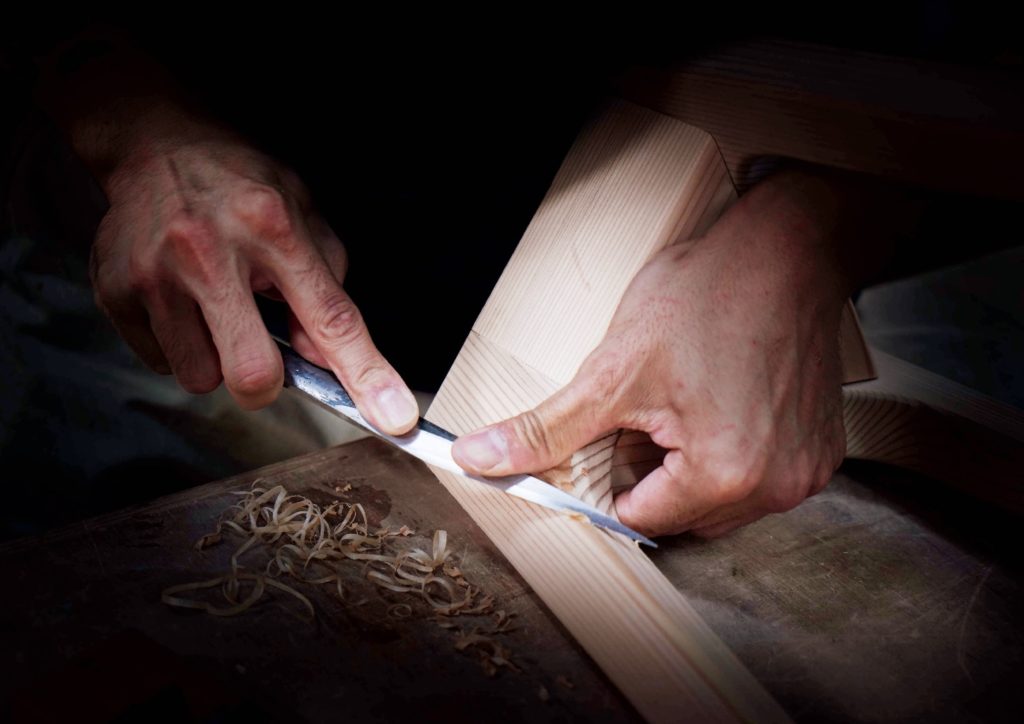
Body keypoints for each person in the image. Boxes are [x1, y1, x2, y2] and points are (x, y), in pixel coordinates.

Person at [30, 21, 915, 539]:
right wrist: (127, 118)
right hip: (220, 276)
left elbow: (975, 77)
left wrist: (814, 224)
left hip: (696, 267)